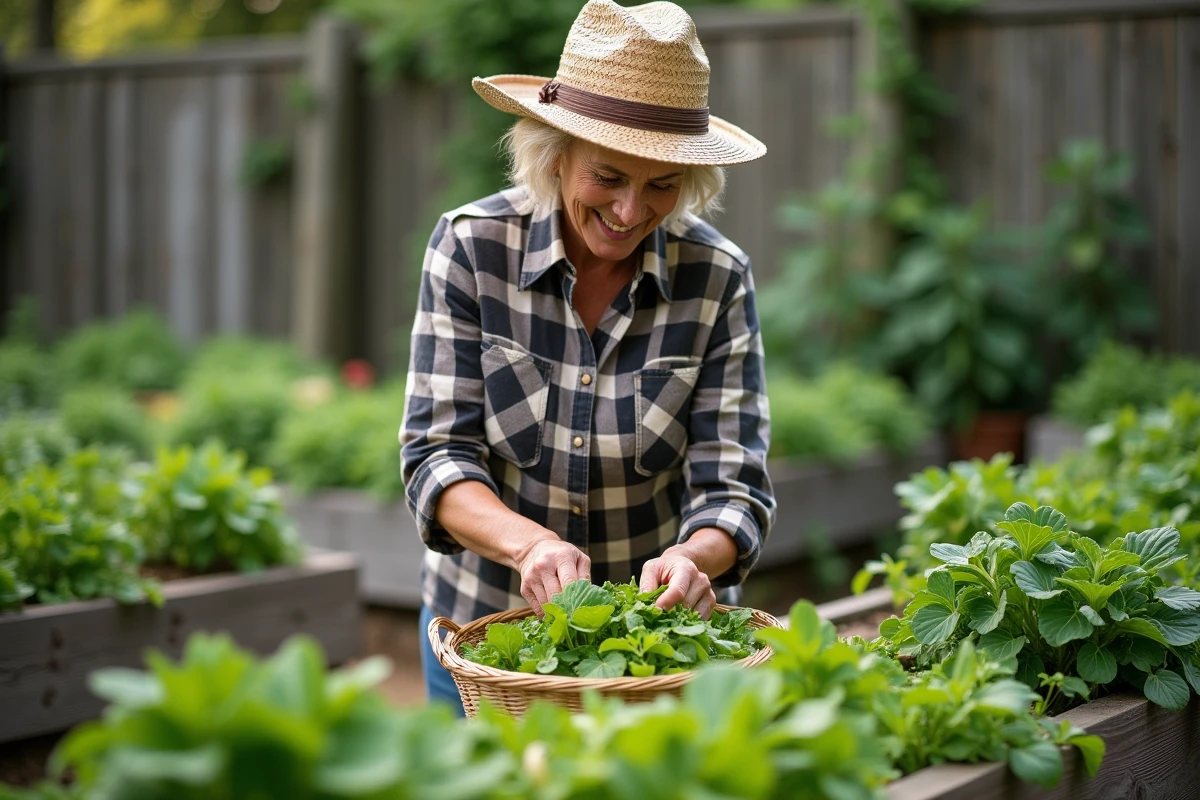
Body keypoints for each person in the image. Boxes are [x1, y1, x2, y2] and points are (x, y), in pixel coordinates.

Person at [400, 0, 776, 714]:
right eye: (608, 177)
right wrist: (527, 546)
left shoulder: (717, 276)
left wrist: (693, 560)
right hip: (489, 638)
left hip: (657, 660)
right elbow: (435, 458)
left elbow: (735, 486)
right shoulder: (473, 248)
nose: (632, 211)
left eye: (661, 184)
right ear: (556, 151)